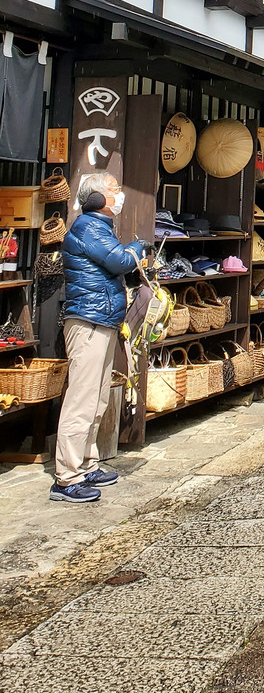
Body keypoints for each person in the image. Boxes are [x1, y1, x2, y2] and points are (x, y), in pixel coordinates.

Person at [51, 173, 148, 503]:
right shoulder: (88, 227)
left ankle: (87, 463)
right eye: (113, 190)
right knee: (82, 400)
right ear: (95, 200)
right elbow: (119, 260)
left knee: (98, 399)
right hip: (88, 323)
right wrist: (137, 247)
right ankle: (66, 476)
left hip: (102, 320)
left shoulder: (100, 228)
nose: (119, 195)